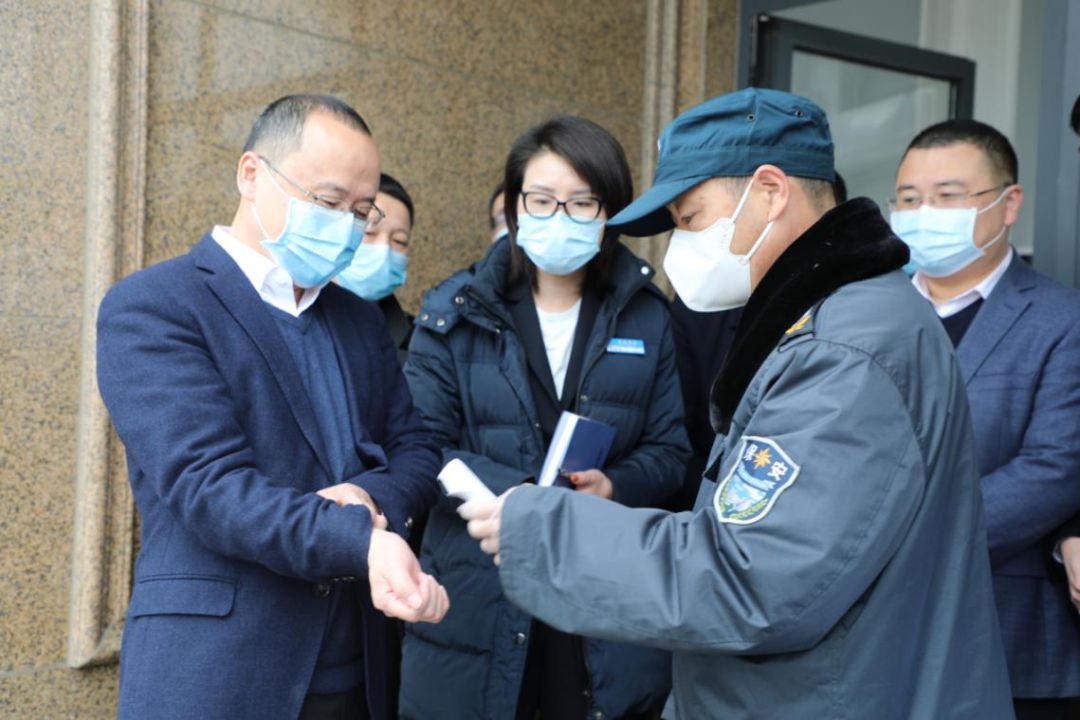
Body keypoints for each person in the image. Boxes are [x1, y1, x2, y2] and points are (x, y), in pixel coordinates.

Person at [461, 88, 1013, 719]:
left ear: (770, 192)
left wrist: (545, 531)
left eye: (690, 219)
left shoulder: (844, 349)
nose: (679, 248)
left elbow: (753, 577)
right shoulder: (832, 319)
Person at [96, 94, 448, 720]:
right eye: (328, 202)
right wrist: (359, 540)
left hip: (354, 669)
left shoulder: (359, 320)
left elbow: (417, 451)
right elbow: (209, 486)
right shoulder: (155, 306)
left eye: (361, 212)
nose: (346, 225)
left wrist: (371, 503)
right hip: (219, 669)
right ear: (251, 174)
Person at [399, 116, 690, 719]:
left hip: (602, 594)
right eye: (541, 200)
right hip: (478, 589)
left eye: (582, 203)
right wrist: (527, 500)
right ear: (515, 206)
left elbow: (671, 452)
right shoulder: (454, 312)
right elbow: (420, 446)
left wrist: (615, 485)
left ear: (610, 213)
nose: (560, 216)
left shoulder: (647, 315)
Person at [889, 118, 1080, 719]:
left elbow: (1054, 468)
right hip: (873, 639)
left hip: (1006, 629)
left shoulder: (1063, 319)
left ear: (1008, 203)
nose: (924, 214)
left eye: (948, 196)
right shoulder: (867, 310)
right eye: (909, 199)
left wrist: (903, 535)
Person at [667, 170, 847, 512]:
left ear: (772, 193)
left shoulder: (846, 330)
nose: (684, 241)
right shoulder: (700, 305)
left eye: (690, 218)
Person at [337, 172, 415, 364]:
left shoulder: (419, 342)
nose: (384, 249)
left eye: (399, 241)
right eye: (369, 232)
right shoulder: (288, 319)